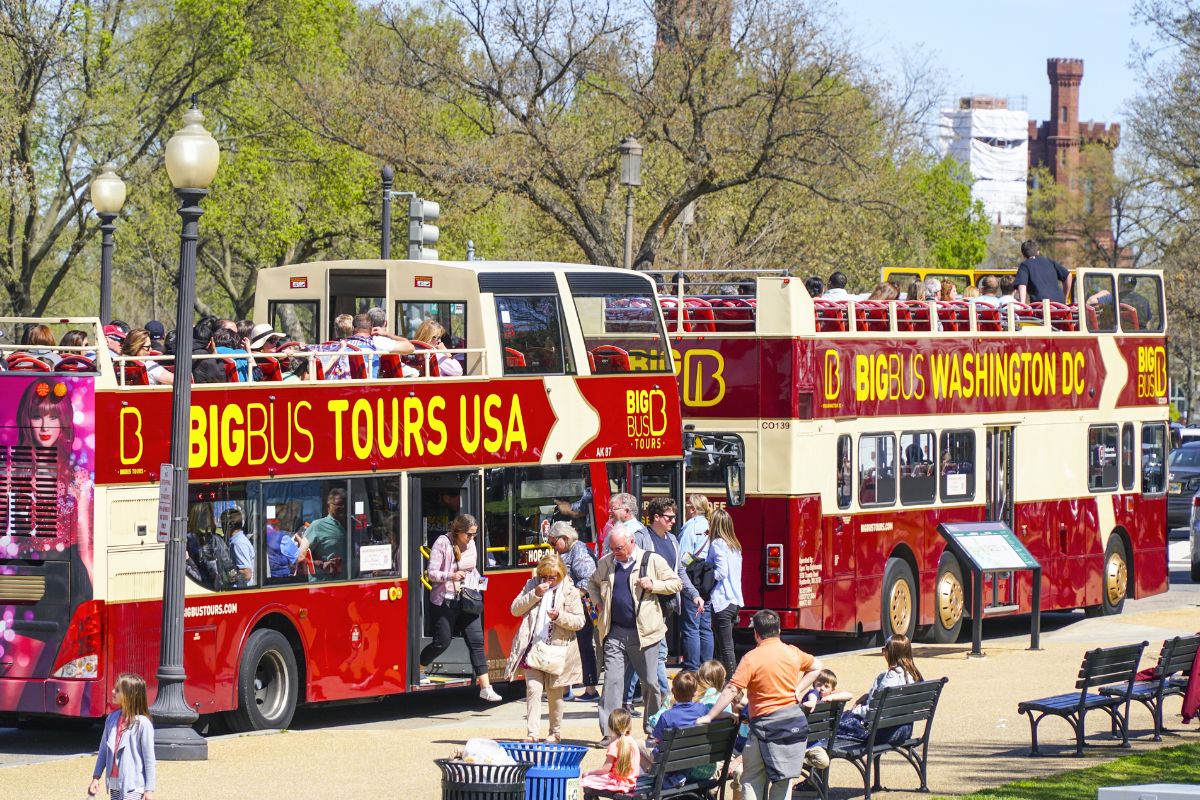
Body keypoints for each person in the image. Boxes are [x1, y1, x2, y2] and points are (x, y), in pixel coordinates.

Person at [697, 610, 824, 800]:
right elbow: (817, 667)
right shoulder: (792, 652)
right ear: (779, 630)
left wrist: (709, 715)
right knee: (783, 781)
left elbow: (732, 689)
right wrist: (798, 690)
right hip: (792, 725)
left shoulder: (752, 658)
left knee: (752, 779)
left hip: (764, 728)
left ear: (756, 633)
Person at [589, 525, 682, 737]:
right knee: (611, 684)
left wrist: (654, 584)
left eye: (619, 548)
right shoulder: (607, 562)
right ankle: (611, 733)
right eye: (612, 548)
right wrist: (597, 603)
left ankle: (654, 729)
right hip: (615, 633)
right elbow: (592, 584)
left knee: (650, 683)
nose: (616, 553)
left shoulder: (651, 560)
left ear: (632, 542)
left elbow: (676, 583)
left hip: (646, 634)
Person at [419, 514, 502, 702]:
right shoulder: (443, 543)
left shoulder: (471, 544)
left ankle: (485, 687)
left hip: (467, 598)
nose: (472, 539)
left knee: (477, 642)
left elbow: (472, 568)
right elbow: (431, 573)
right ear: (458, 531)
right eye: (469, 535)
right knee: (443, 641)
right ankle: (420, 667)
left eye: (474, 535)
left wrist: (480, 581)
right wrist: (451, 575)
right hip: (445, 599)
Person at [504, 552, 585, 742]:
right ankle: (532, 734)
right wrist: (535, 594)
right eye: (544, 576)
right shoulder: (532, 585)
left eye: (552, 577)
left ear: (561, 574)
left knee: (555, 693)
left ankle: (554, 732)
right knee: (532, 689)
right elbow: (515, 609)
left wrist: (559, 617)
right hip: (533, 647)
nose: (547, 580)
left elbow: (580, 621)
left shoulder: (570, 591)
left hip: (558, 649)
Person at [645, 496, 700, 696]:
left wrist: (693, 594)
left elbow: (680, 572)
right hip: (648, 605)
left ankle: (628, 697)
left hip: (666, 604)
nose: (673, 521)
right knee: (659, 653)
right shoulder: (644, 537)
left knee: (644, 654)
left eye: (674, 517)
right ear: (656, 517)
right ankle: (665, 696)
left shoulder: (673, 540)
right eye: (669, 517)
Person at [836, 634, 924, 744]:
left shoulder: (891, 677)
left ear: (891, 652)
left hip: (884, 732)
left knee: (835, 723)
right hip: (905, 729)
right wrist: (868, 695)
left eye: (884, 649)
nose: (883, 653)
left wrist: (855, 711)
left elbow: (875, 710)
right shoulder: (915, 676)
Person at [547, 521, 600, 702]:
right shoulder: (568, 551)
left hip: (581, 608)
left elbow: (588, 579)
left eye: (554, 543)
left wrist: (570, 596)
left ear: (565, 538)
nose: (553, 547)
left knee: (584, 646)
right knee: (566, 648)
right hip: (568, 608)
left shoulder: (579, 550)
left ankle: (591, 689)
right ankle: (566, 689)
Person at [88, 672, 156, 800]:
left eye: (118, 690)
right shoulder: (112, 718)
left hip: (134, 785)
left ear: (131, 694)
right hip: (114, 783)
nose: (113, 691)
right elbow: (103, 750)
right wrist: (96, 778)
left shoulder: (143, 723)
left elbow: (149, 759)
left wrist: (149, 790)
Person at [645, 671, 717, 788]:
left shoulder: (667, 716)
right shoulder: (703, 710)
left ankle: (676, 777)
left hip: (673, 767)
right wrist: (730, 715)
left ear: (673, 692)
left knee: (641, 747)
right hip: (704, 768)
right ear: (695, 692)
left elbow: (656, 742)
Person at [706, 508, 743, 677]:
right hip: (735, 599)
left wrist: (705, 574)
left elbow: (721, 572)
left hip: (722, 599)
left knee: (725, 646)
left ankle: (731, 682)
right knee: (726, 645)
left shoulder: (717, 544)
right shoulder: (735, 546)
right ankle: (725, 680)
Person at [677, 494, 713, 671]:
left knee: (691, 626)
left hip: (692, 579)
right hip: (706, 579)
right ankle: (707, 667)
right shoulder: (710, 525)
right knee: (705, 626)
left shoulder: (690, 527)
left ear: (692, 509)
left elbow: (683, 557)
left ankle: (692, 667)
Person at [581, 707, 640, 793]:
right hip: (632, 782)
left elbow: (605, 769)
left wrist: (589, 773)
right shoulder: (633, 742)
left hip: (618, 782)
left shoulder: (614, 745)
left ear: (610, 727)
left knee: (587, 779)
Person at [306, 487, 347, 582]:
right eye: (339, 504)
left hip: (348, 583)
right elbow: (300, 556)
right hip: (323, 585)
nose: (343, 507)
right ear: (328, 506)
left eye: (345, 504)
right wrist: (322, 565)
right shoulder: (317, 526)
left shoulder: (354, 525)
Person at [1014, 239, 1072, 305]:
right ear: (1038, 252)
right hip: (1059, 304)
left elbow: (1022, 285)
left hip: (1041, 304)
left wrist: (1022, 305)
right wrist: (1064, 297)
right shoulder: (1049, 261)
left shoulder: (1025, 265)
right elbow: (1068, 275)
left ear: (1023, 255)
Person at [265, 502, 309, 579]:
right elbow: (300, 557)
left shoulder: (264, 532)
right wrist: (303, 542)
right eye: (289, 519)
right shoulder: (283, 538)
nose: (289, 523)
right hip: (280, 580)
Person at [221, 506, 254, 588]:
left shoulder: (238, 544)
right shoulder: (236, 541)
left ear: (230, 525)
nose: (221, 527)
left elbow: (247, 574)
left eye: (223, 523)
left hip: (239, 590)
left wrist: (229, 577)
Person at [190, 318, 227, 384]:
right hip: (201, 392)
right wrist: (216, 357)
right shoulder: (207, 360)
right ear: (211, 342)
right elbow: (221, 380)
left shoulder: (180, 352)